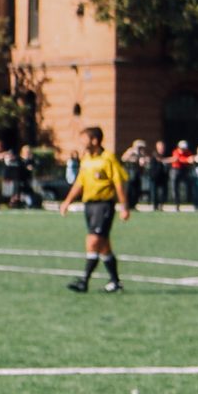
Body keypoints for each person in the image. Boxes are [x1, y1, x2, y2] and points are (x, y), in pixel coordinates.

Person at [62, 126, 133, 294]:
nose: (81, 142)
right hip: (89, 206)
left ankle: (84, 281)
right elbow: (79, 183)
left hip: (104, 205)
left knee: (93, 241)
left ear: (94, 140)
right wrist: (67, 201)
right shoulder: (86, 159)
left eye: (84, 138)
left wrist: (124, 206)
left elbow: (118, 183)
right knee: (103, 247)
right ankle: (115, 282)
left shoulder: (108, 159)